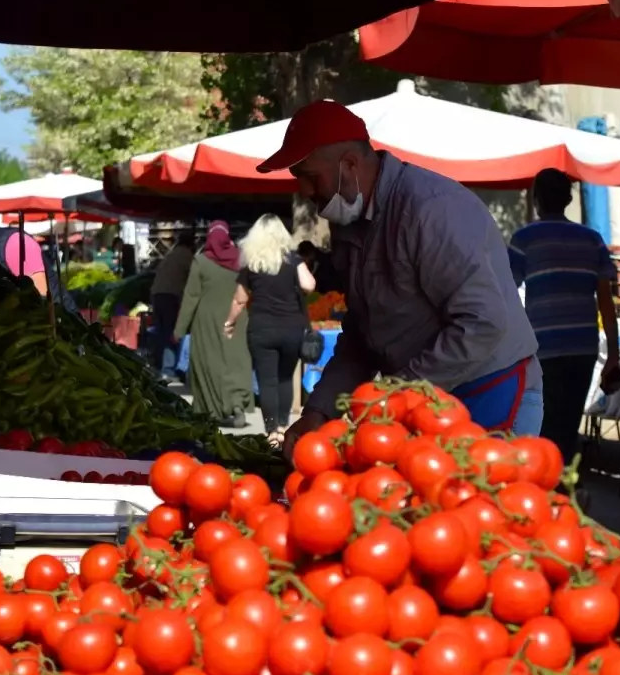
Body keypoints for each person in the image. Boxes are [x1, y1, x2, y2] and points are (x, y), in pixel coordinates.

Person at [263, 101, 541, 458]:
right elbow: (362, 334)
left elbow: (483, 323)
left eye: (310, 176)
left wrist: (394, 394)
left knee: (485, 508)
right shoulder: (346, 221)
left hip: (489, 388)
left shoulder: (432, 208)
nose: (303, 190)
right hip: (424, 398)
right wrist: (319, 409)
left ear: (349, 164)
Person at [509, 168, 620, 460]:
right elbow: (606, 301)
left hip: (542, 347)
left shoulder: (524, 239)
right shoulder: (592, 240)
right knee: (569, 424)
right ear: (569, 199)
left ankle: (550, 488)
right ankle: (564, 486)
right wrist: (613, 355)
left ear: (537, 201)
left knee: (543, 424)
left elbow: (506, 294)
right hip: (583, 346)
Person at [224, 215, 316, 446]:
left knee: (267, 381)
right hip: (291, 329)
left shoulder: (252, 264)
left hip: (261, 329)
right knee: (285, 378)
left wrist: (230, 322)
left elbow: (240, 299)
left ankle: (272, 429)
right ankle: (284, 427)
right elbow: (309, 285)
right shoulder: (293, 260)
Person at [174, 221, 255, 427]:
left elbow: (191, 297)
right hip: (237, 317)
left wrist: (180, 329)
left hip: (207, 320)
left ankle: (211, 410)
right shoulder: (241, 259)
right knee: (236, 362)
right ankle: (237, 404)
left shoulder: (201, 262)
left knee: (209, 363)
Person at [149, 232, 195, 381]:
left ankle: (157, 367)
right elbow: (194, 280)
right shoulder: (186, 256)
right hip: (170, 297)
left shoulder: (171, 254)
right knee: (172, 334)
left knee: (161, 332)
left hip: (157, 295)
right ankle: (169, 370)